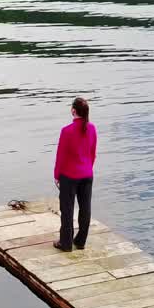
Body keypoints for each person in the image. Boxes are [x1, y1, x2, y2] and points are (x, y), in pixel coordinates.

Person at [53, 97, 96, 252]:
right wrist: (87, 169)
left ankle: (65, 244)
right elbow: (93, 153)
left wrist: (57, 175)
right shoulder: (92, 128)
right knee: (85, 208)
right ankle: (80, 241)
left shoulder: (67, 131)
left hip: (69, 176)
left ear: (73, 111)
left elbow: (61, 156)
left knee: (67, 209)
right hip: (87, 174)